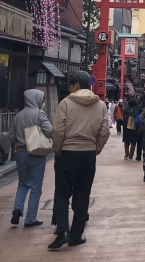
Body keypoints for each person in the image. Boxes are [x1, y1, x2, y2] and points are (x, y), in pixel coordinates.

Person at [48, 71, 109, 250]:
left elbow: (58, 130)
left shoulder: (66, 103)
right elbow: (105, 131)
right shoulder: (100, 105)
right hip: (88, 154)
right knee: (83, 194)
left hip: (67, 152)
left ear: (75, 85)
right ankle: (76, 235)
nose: (68, 88)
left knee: (62, 192)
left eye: (70, 84)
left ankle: (62, 231)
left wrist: (57, 149)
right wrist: (96, 148)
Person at [10, 88, 52, 227]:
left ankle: (17, 208)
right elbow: (49, 131)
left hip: (20, 153)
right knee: (36, 186)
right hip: (36, 153)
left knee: (23, 183)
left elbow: (11, 136)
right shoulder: (39, 114)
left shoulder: (18, 116)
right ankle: (30, 218)